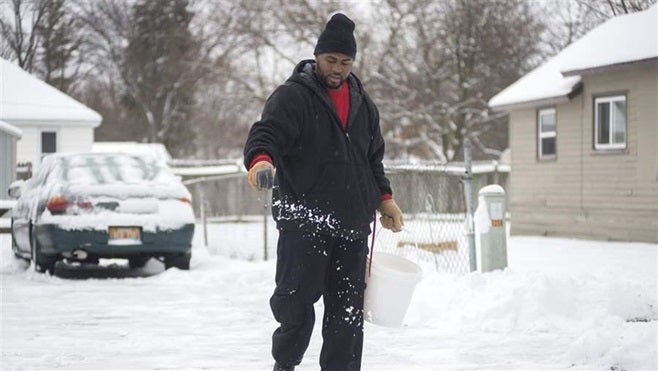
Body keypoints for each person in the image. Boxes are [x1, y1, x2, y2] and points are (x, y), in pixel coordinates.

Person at [243, 12, 403, 371]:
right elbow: (265, 134)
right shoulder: (292, 97)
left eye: (345, 62)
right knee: (295, 305)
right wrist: (261, 162)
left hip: (352, 224)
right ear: (317, 56)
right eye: (331, 60)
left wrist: (385, 199)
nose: (338, 68)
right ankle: (285, 365)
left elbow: (372, 159)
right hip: (305, 221)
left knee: (347, 313)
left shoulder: (365, 107)